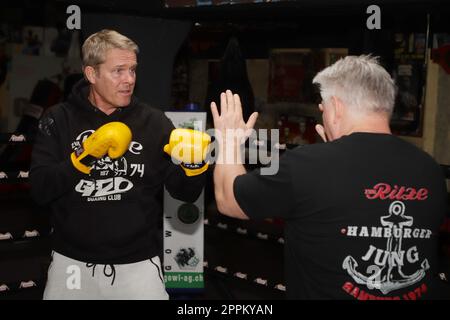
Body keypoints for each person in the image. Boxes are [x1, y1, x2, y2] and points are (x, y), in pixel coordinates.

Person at [211, 55, 448, 299]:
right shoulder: (429, 170)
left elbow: (229, 199)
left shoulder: (306, 166)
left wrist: (229, 141)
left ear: (336, 107)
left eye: (322, 108)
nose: (323, 116)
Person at [30, 29, 208, 300]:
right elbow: (41, 190)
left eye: (133, 70)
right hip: (72, 265)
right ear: (91, 74)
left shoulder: (153, 122)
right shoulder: (59, 119)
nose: (129, 80)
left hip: (138, 267)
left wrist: (194, 167)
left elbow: (186, 193)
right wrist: (86, 156)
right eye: (119, 71)